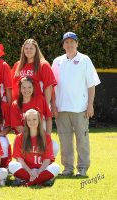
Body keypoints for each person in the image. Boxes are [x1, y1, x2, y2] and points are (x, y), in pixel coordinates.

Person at [51, 32, 100, 177]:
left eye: (72, 42)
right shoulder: (57, 61)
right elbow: (52, 86)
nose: (69, 45)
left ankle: (82, 168)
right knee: (65, 141)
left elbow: (91, 85)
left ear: (77, 43)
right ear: (63, 45)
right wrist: (53, 106)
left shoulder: (85, 59)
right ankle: (67, 168)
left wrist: (90, 105)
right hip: (61, 109)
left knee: (82, 140)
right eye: (66, 42)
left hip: (80, 109)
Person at [8, 109, 60, 186]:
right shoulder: (20, 137)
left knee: (56, 167)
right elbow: (19, 159)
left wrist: (38, 172)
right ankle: (40, 180)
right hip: (26, 170)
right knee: (12, 165)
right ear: (26, 122)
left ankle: (28, 183)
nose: (32, 122)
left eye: (34, 119)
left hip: (41, 169)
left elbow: (47, 160)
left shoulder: (46, 137)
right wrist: (30, 171)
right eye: (29, 120)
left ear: (39, 120)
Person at [10, 77, 59, 156]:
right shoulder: (15, 104)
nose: (27, 90)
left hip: (40, 135)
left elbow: (48, 118)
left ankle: (47, 166)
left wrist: (47, 136)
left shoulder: (40, 99)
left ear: (33, 88)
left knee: (55, 147)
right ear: (20, 89)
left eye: (29, 87)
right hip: (25, 137)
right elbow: (18, 127)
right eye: (24, 88)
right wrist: (31, 137)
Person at [11, 39, 56, 104]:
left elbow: (48, 87)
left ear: (36, 50)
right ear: (23, 50)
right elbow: (13, 85)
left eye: (31, 48)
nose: (28, 50)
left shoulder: (43, 65)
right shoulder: (17, 65)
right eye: (26, 48)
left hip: (36, 105)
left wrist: (46, 106)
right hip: (20, 105)